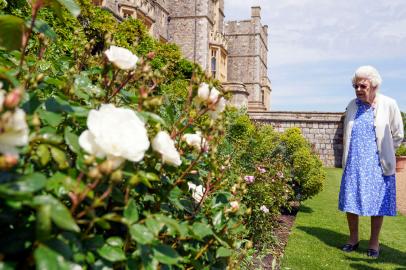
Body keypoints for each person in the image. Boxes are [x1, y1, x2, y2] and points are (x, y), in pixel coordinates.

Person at [338, 65, 404, 258]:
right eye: (356, 86)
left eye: (362, 86)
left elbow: (398, 134)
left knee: (377, 204)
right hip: (354, 163)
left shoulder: (389, 104)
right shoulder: (352, 106)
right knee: (351, 201)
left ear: (374, 86)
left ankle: (374, 243)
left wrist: (388, 153)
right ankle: (353, 239)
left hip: (377, 165)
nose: (358, 90)